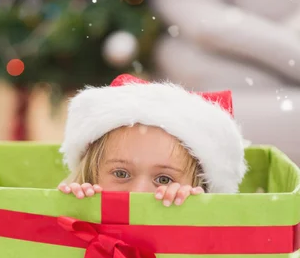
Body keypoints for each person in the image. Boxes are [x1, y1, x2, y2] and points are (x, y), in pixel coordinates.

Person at [58, 74, 246, 205]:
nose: (138, 192)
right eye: (121, 174)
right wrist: (71, 209)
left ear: (200, 187)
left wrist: (193, 213)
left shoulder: (205, 236)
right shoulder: (80, 209)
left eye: (164, 179)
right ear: (92, 174)